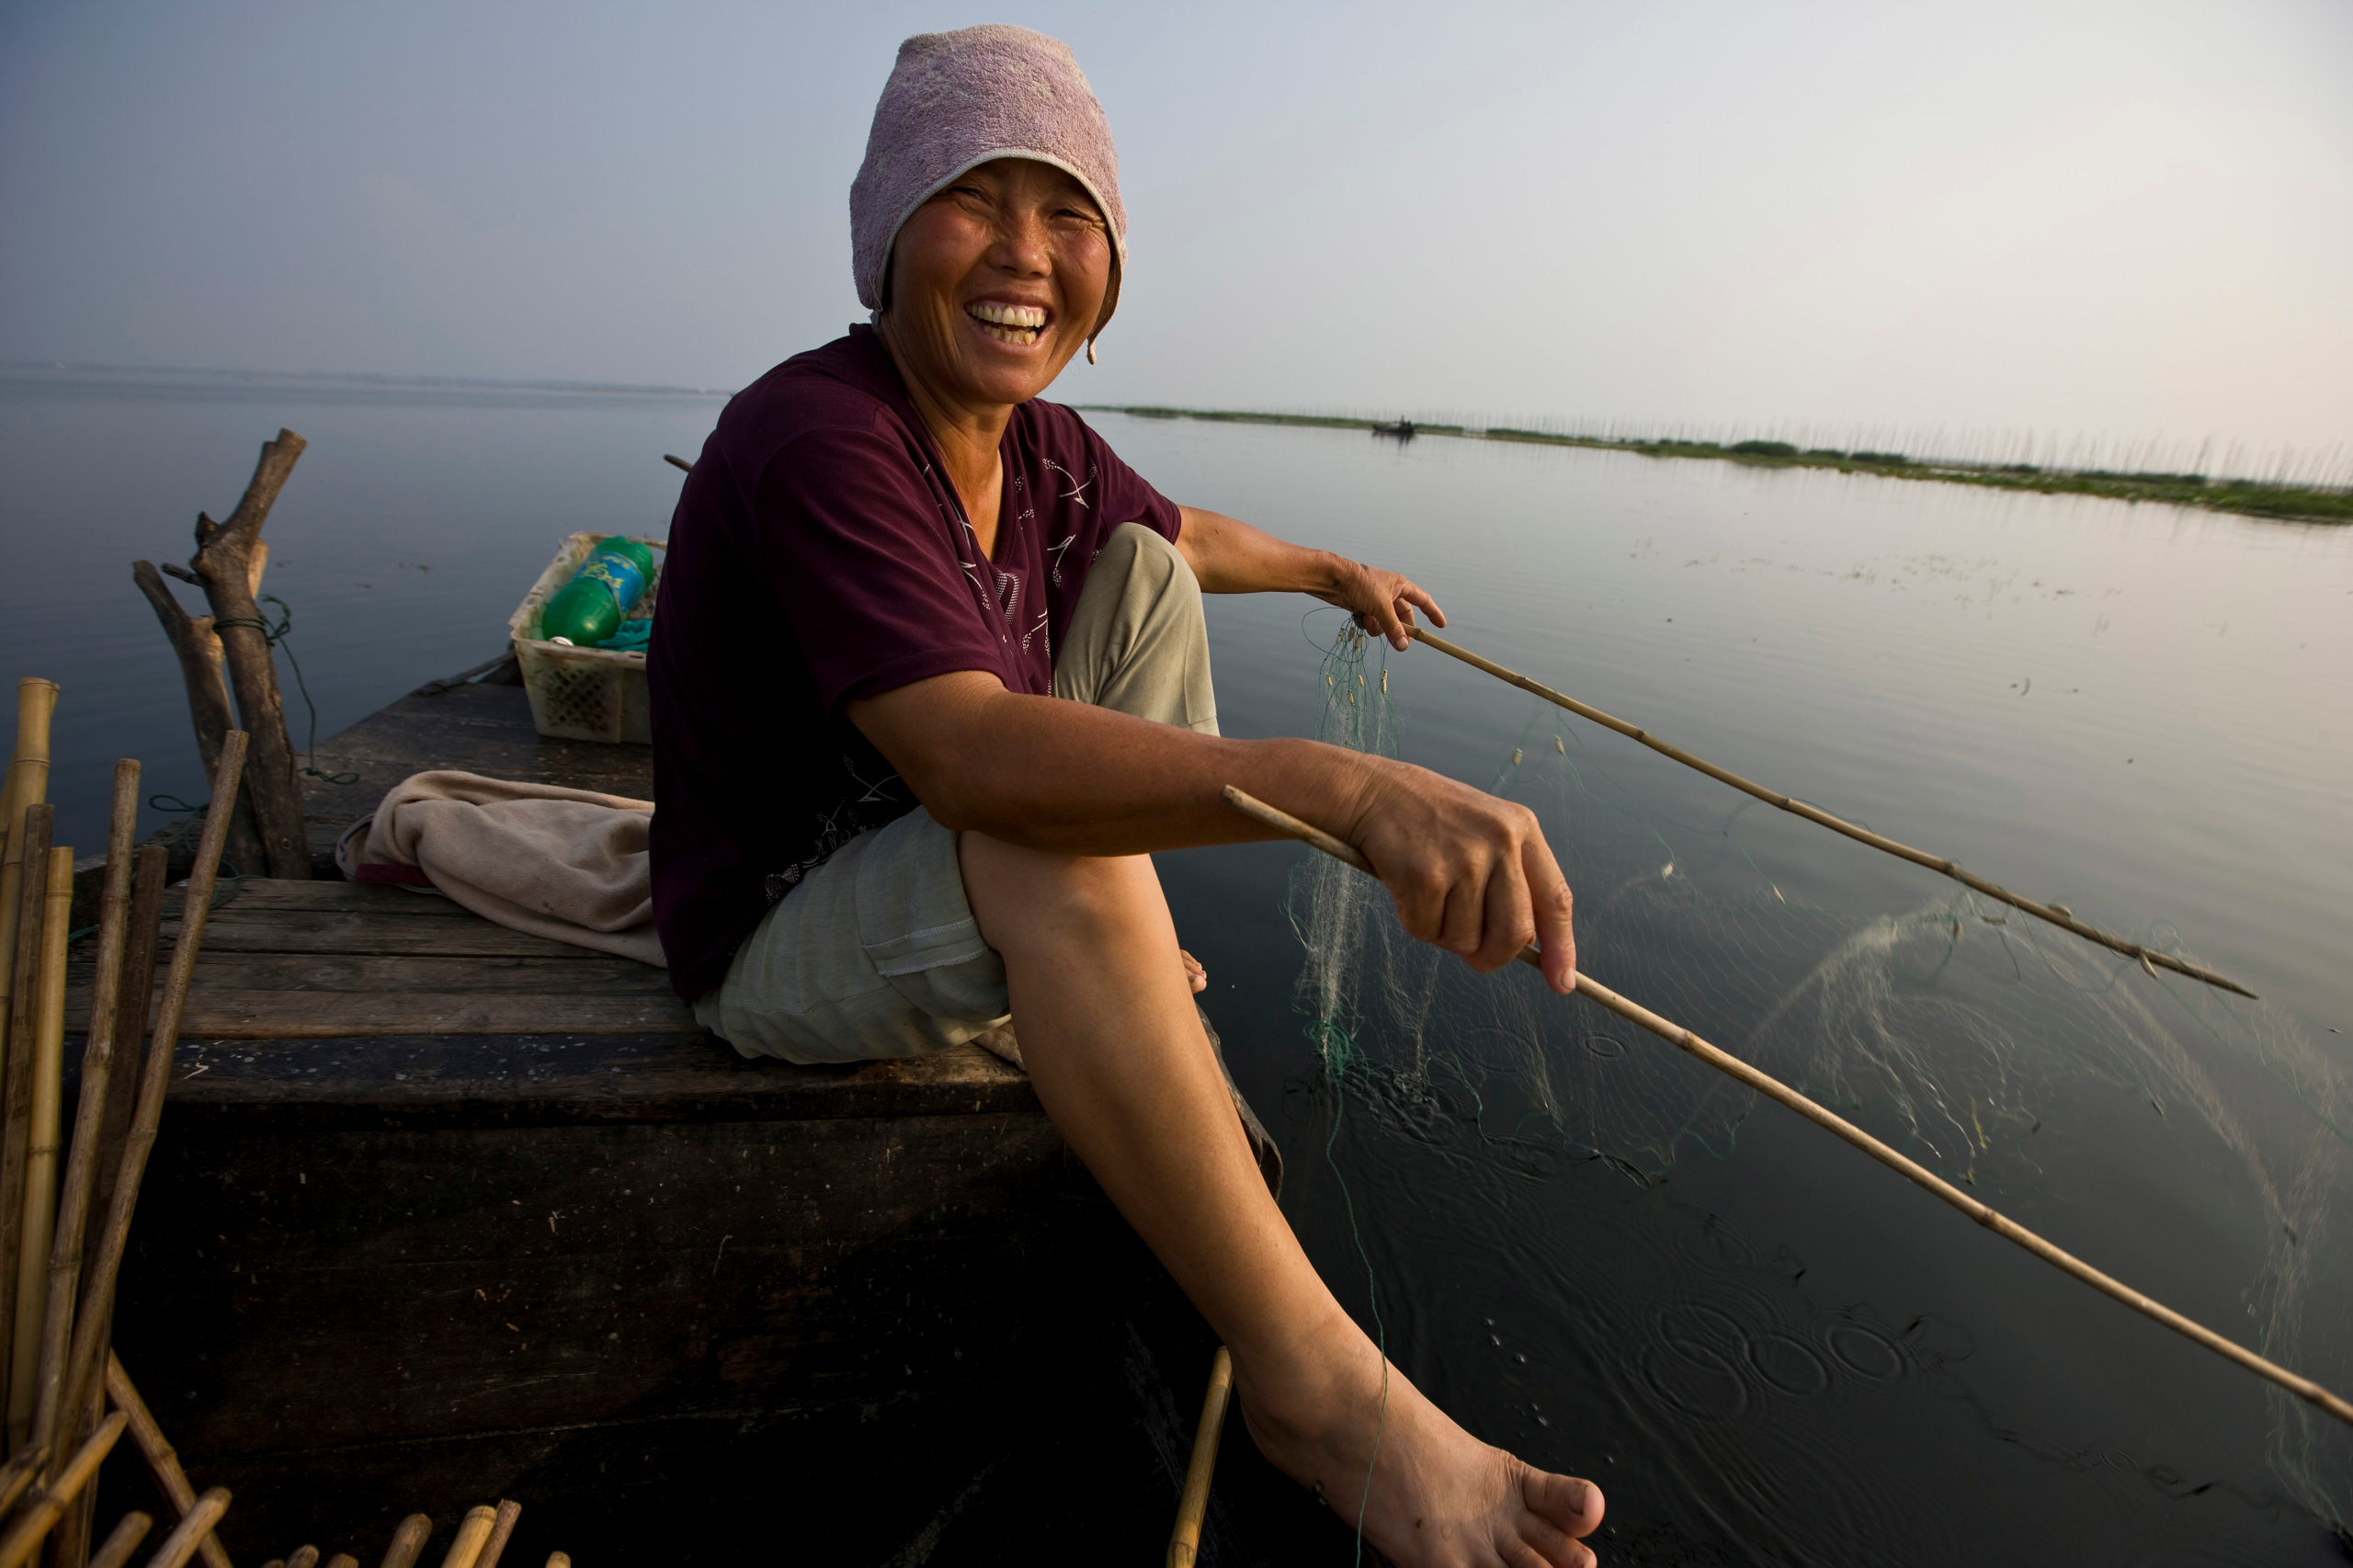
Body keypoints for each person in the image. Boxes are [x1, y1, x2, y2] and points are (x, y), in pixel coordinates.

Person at [649, 25, 1603, 1568]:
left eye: (1070, 214)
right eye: (977, 198)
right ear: (888, 237)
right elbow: (967, 757)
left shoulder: (1040, 447)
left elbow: (1184, 534)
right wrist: (1344, 788)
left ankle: (1104, 952)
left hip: (938, 862)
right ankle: (1322, 1393)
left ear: (1107, 269)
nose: (1028, 253)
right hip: (777, 926)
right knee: (1049, 837)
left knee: (1144, 575)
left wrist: (1332, 572)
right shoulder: (818, 438)